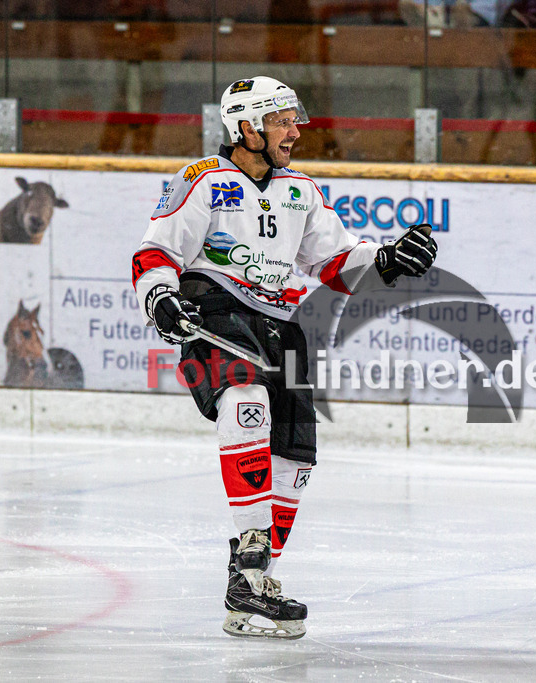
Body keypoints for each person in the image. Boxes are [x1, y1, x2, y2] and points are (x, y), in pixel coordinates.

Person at [130, 76, 437, 639]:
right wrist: (161, 296)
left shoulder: (301, 190)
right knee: (245, 400)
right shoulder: (200, 182)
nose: (295, 131)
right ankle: (249, 554)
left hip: (281, 326)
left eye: (294, 120)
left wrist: (390, 259)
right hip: (217, 314)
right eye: (282, 121)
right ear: (246, 127)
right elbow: (157, 250)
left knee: (295, 455)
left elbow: (334, 262)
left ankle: (248, 586)